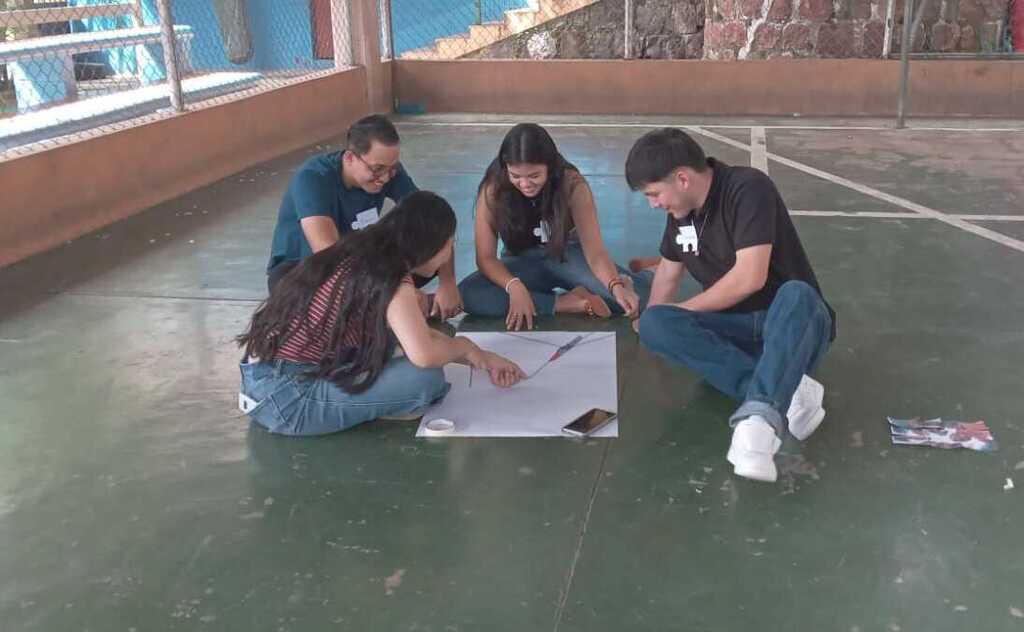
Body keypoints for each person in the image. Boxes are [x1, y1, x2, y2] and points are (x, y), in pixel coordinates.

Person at [626, 128, 836, 483]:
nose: (654, 203)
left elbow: (749, 277)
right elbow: (667, 273)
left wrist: (685, 312)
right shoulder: (681, 213)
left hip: (789, 327)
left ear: (682, 178)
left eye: (654, 194)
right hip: (736, 330)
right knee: (654, 323)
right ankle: (790, 389)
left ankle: (759, 419)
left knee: (797, 293)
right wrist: (657, 320)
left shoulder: (747, 188)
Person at [238, 191, 525, 436]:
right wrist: (463, 346)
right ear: (429, 244)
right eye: (449, 244)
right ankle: (383, 402)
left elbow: (417, 335)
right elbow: (423, 354)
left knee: (398, 351)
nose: (449, 254)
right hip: (289, 401)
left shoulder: (363, 252)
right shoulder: (391, 279)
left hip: (266, 380)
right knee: (426, 381)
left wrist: (480, 356)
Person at [458, 123, 651, 331]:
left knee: (642, 300)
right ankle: (567, 303)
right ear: (505, 168)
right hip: (521, 261)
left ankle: (648, 271)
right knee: (467, 295)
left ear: (550, 167)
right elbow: (485, 258)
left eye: (534, 176)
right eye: (515, 176)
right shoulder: (492, 189)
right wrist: (514, 286)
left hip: (567, 256)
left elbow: (595, 253)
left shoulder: (572, 184)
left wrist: (615, 286)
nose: (525, 184)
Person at [265, 114, 461, 317]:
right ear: (350, 158)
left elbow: (434, 220)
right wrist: (396, 292)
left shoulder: (388, 171)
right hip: (305, 273)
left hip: (361, 263)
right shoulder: (313, 178)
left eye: (392, 169)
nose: (385, 178)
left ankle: (381, 308)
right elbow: (327, 253)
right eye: (377, 170)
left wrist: (448, 284)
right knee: (341, 306)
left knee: (430, 251)